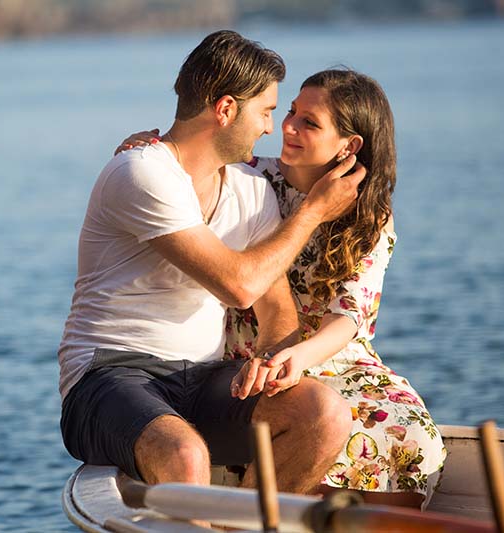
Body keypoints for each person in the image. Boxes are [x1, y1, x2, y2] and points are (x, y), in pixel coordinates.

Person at [116, 69, 447, 508]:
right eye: (290, 112)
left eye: (309, 123)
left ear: (349, 147)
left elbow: (349, 317)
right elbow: (187, 158)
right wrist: (146, 148)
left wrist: (299, 357)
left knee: (412, 436)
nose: (287, 127)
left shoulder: (370, 217)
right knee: (330, 422)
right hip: (251, 354)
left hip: (332, 359)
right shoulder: (251, 177)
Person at [59, 30, 366, 496]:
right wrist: (312, 212)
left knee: (323, 415)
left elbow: (274, 307)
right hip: (108, 374)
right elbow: (238, 287)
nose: (270, 128)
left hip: (201, 379)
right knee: (185, 455)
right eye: (266, 111)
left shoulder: (251, 189)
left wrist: (267, 361)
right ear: (224, 110)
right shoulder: (141, 173)